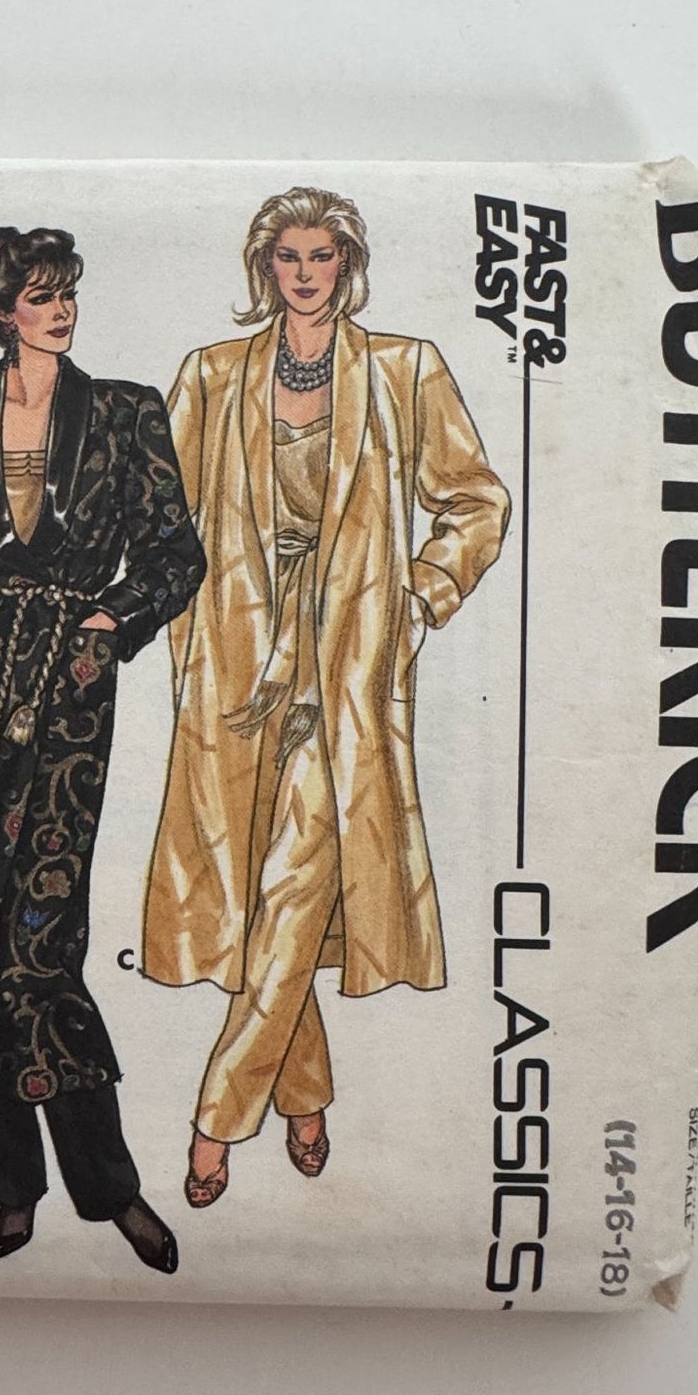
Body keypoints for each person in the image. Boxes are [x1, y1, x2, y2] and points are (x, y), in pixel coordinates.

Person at [141, 187, 510, 1208]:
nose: (305, 274)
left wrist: (420, 594)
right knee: (253, 891)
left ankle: (217, 1117)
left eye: (322, 255)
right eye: (288, 257)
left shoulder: (404, 368)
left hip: (348, 657)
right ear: (263, 268)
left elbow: (477, 501)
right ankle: (302, 1095)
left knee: (300, 875)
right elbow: (156, 513)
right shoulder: (212, 374)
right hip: (232, 660)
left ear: (348, 263)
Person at [0, 226, 202, 1272]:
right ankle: (12, 1187)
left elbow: (175, 554)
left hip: (66, 692)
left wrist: (110, 622)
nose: (59, 310)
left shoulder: (125, 411)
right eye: (38, 295)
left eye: (66, 292)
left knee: (41, 944)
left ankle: (110, 1189)